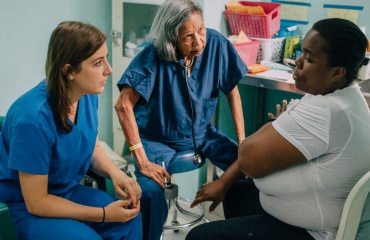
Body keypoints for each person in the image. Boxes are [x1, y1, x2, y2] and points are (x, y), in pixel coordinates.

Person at [186, 18, 370, 240]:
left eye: (309, 59)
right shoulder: (344, 98)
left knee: (199, 237)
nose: (297, 62)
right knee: (237, 192)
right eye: (302, 52)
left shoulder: (328, 110)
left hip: (315, 233)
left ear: (337, 72)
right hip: (312, 213)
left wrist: (275, 124)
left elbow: (248, 160)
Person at [114, 0, 249, 239]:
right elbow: (123, 104)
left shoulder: (216, 44)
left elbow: (233, 92)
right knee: (150, 191)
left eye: (201, 30)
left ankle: (242, 233)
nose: (198, 42)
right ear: (172, 37)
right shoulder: (154, 55)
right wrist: (142, 160)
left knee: (247, 166)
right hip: (157, 139)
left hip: (203, 133)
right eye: (187, 36)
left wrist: (242, 141)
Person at [0, 21, 142, 239]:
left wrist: (116, 174)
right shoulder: (32, 119)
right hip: (23, 206)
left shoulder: (87, 96)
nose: (109, 70)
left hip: (66, 191)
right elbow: (37, 202)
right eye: (98, 63)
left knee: (130, 219)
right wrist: (103, 214)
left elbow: (89, 144)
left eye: (106, 59)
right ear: (69, 71)